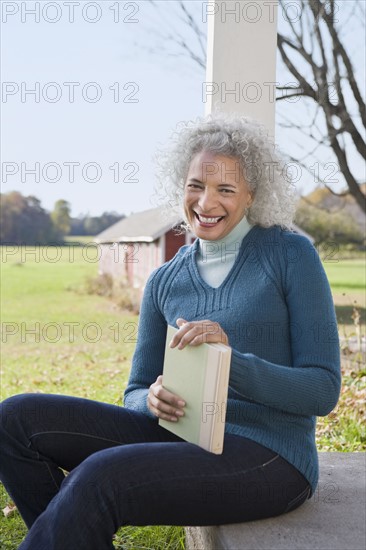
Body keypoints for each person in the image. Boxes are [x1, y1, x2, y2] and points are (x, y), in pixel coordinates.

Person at [0, 114, 341, 550]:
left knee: (99, 478)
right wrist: (153, 397)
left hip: (269, 458)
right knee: (14, 419)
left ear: (252, 195)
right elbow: (135, 391)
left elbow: (323, 390)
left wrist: (229, 364)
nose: (206, 202)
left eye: (225, 189)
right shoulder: (165, 280)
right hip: (182, 436)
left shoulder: (291, 255)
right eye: (196, 185)